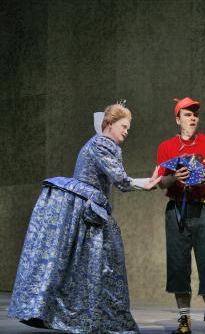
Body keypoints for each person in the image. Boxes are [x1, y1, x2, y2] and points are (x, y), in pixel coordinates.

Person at [8, 103, 162, 333]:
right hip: (86, 210)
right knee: (101, 264)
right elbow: (120, 180)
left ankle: (84, 316)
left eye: (129, 128)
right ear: (109, 125)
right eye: (124, 126)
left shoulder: (99, 143)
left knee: (88, 266)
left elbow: (120, 180)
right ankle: (91, 318)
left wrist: (144, 184)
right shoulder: (103, 143)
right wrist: (145, 184)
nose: (127, 131)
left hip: (87, 209)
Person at [156, 97, 205, 334]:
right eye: (188, 115)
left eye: (195, 115)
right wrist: (174, 178)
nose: (193, 119)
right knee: (178, 265)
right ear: (177, 119)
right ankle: (184, 320)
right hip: (177, 210)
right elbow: (161, 182)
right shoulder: (166, 147)